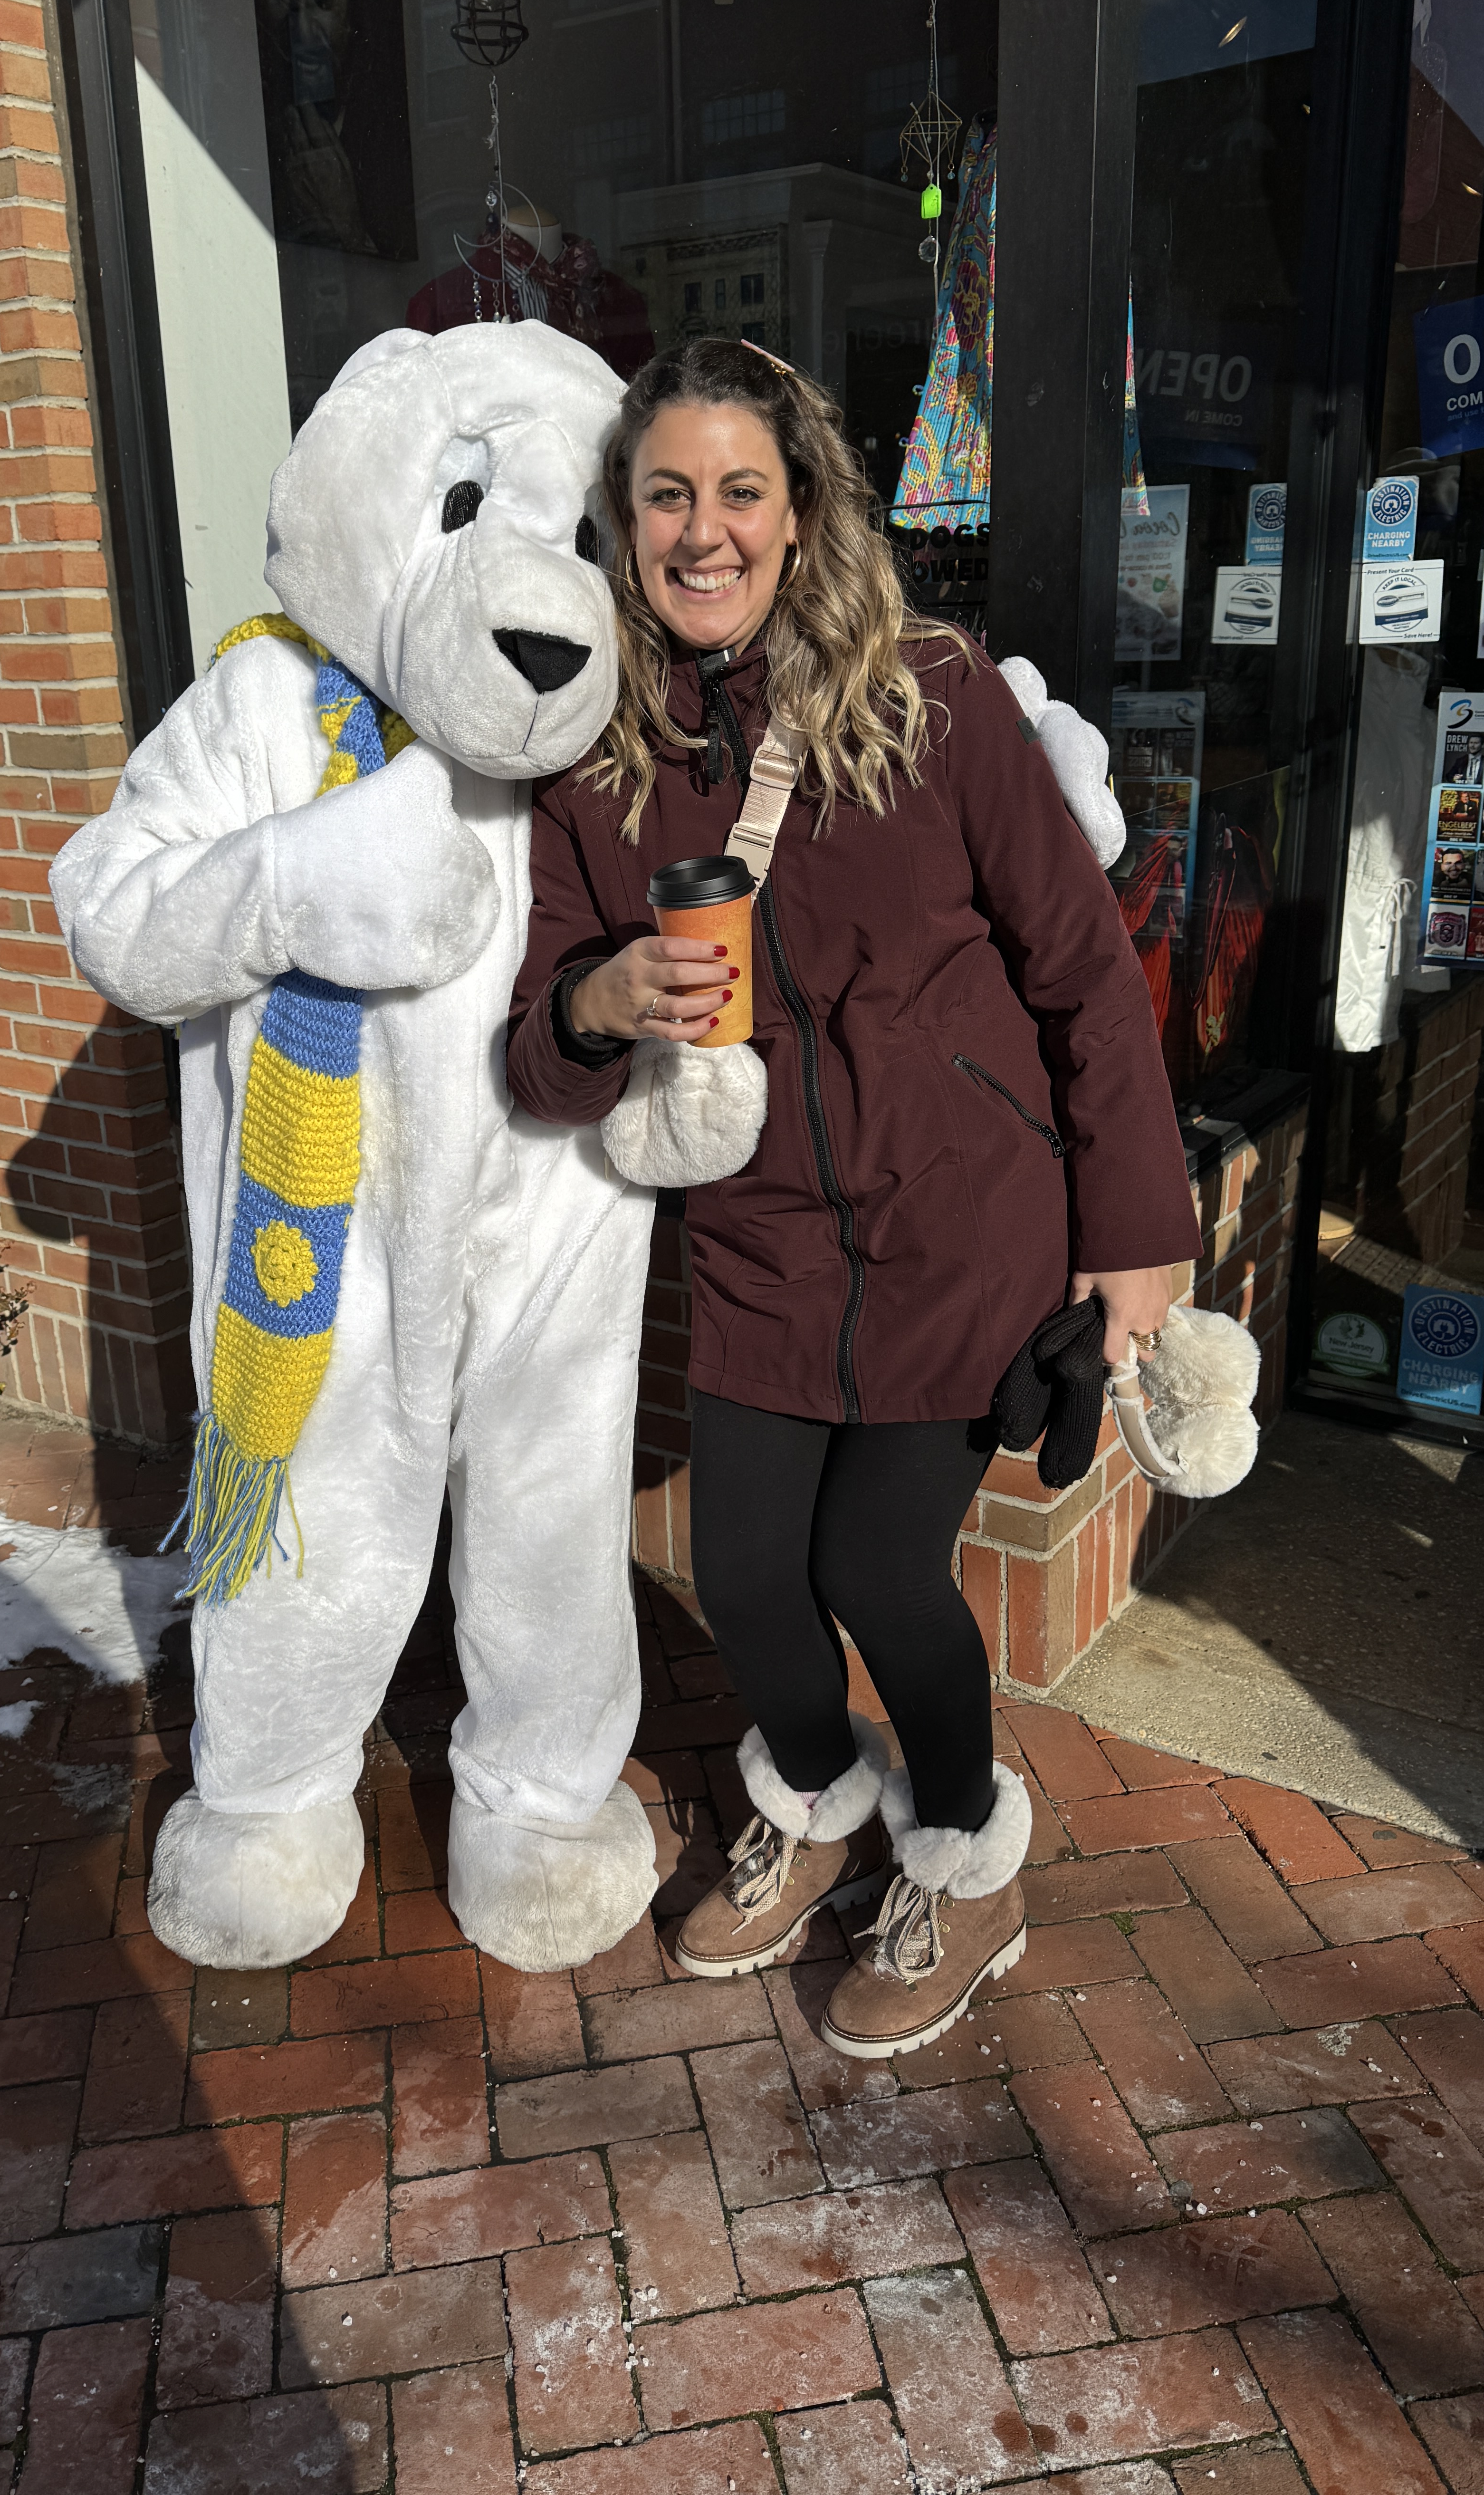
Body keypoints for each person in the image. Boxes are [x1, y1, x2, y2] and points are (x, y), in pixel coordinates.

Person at [505, 337, 1201, 2059]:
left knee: (883, 1572)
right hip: (763, 1244)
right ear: (624, 521)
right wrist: (600, 1000)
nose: (705, 531)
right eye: (668, 495)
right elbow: (540, 1054)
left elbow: (1085, 973)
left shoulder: (935, 699)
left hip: (967, 1225)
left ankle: (964, 1857)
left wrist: (1137, 1234)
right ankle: (816, 1804)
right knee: (745, 1574)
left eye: (741, 491)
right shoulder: (597, 758)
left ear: (804, 512)